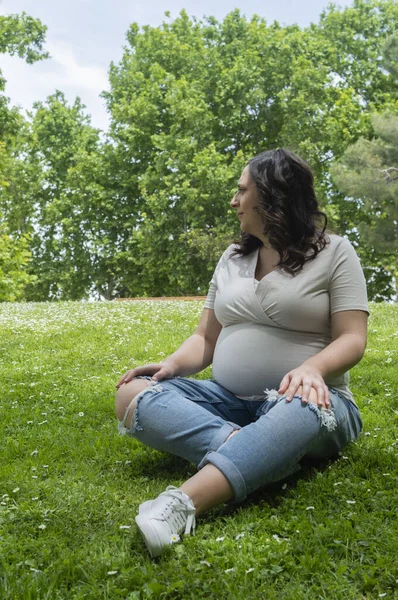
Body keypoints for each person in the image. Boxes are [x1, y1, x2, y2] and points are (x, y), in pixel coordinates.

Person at [115, 148, 369, 558]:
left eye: (241, 190)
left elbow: (353, 337)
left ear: (273, 195)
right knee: (132, 392)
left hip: (316, 402)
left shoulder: (336, 252)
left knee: (300, 404)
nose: (233, 201)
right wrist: (173, 365)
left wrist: (311, 369)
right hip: (228, 402)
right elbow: (206, 339)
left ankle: (180, 505)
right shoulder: (233, 258)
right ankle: (262, 451)